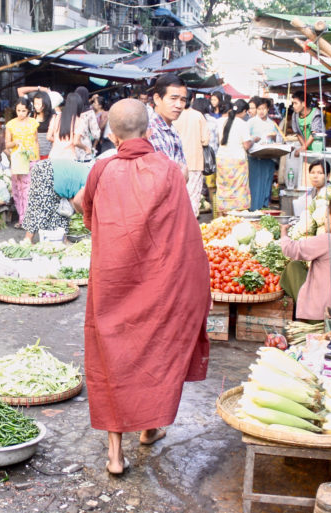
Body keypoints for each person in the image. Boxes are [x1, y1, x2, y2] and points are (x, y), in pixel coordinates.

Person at [81, 99, 210, 475]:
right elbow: (183, 229)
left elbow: (90, 218)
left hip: (113, 281)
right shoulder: (169, 170)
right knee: (153, 350)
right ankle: (149, 428)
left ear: (112, 134)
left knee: (112, 358)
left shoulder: (101, 169)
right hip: (159, 281)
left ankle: (115, 454)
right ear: (149, 131)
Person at [22, 158, 91, 241]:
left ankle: (62, 240)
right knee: (41, 208)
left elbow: (73, 199)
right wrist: (86, 215)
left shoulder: (93, 177)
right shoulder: (91, 181)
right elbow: (76, 201)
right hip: (47, 170)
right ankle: (27, 240)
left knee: (61, 212)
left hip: (56, 175)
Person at [5, 98, 40, 227]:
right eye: (18, 110)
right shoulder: (10, 124)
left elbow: (36, 141)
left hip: (31, 160)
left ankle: (25, 220)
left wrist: (37, 159)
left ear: (28, 110)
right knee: (17, 190)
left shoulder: (33, 123)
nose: (20, 113)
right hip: (17, 161)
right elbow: (7, 144)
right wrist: (15, 143)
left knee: (27, 190)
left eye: (23, 111)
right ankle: (22, 216)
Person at [174, 91, 210, 217]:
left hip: (177, 163)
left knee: (178, 197)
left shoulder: (175, 116)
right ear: (192, 99)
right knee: (193, 197)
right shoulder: (198, 116)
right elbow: (205, 140)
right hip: (195, 161)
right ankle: (191, 227)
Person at [215, 99, 252, 214]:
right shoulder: (242, 124)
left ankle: (224, 213)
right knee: (239, 189)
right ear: (244, 111)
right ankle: (238, 213)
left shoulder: (221, 121)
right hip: (237, 160)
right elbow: (246, 145)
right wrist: (253, 141)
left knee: (223, 188)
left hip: (222, 159)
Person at [148, 74, 188, 177]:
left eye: (183, 100)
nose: (179, 105)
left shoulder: (171, 129)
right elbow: (167, 177)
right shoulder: (152, 130)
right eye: (173, 98)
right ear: (157, 99)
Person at [247, 97, 281, 211]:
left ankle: (264, 207)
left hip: (268, 156)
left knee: (266, 182)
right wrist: (253, 139)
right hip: (254, 157)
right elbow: (246, 138)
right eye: (259, 108)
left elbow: (278, 139)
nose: (261, 111)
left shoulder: (272, 124)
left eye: (264, 108)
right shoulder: (251, 122)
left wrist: (275, 137)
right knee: (255, 183)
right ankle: (253, 208)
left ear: (268, 109)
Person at [47, 92, 88, 161]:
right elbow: (76, 142)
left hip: (54, 156)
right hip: (69, 158)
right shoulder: (79, 121)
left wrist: (58, 142)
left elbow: (48, 137)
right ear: (79, 106)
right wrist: (86, 148)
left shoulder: (55, 117)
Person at [74, 86, 101, 161]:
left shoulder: (70, 112)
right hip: (85, 148)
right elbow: (96, 134)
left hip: (71, 150)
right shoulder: (89, 113)